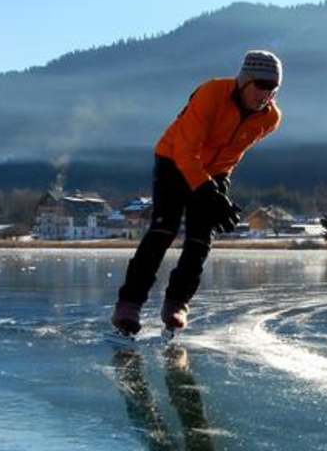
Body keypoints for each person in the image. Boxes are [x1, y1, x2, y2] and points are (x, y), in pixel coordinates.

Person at [110, 50, 283, 336]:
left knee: (201, 238)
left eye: (273, 89)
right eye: (261, 86)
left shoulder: (269, 119)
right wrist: (204, 189)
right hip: (173, 159)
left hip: (215, 171)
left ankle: (177, 303)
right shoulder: (212, 93)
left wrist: (217, 191)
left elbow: (233, 153)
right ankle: (128, 304)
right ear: (244, 81)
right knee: (163, 229)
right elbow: (185, 150)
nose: (266, 94)